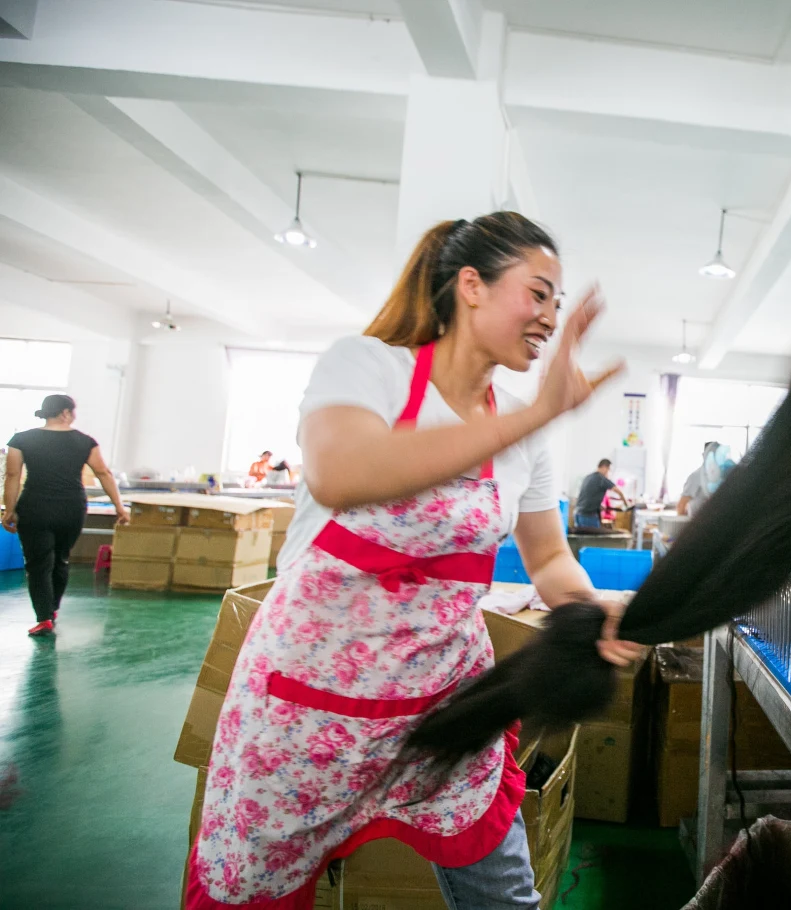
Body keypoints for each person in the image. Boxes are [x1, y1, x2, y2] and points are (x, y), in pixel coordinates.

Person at [185, 213, 640, 910]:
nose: (551, 316)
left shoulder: (525, 428)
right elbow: (341, 471)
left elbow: (547, 556)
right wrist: (535, 414)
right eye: (539, 292)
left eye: (558, 300)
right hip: (308, 716)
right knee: (257, 892)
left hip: (443, 709)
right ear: (472, 286)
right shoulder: (368, 367)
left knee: (504, 897)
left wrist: (587, 607)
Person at [3, 394, 129, 636]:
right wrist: (120, 508)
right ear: (65, 412)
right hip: (71, 508)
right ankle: (53, 609)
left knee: (38, 563)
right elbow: (104, 474)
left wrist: (9, 509)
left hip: (34, 508)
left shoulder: (21, 439)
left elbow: (12, 476)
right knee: (61, 558)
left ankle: (44, 618)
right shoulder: (85, 442)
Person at [573, 459, 627, 529]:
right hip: (588, 516)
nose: (608, 472)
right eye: (608, 469)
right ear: (604, 467)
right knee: (593, 539)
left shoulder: (588, 477)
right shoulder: (601, 478)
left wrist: (599, 506)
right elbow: (619, 492)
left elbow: (588, 495)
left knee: (582, 538)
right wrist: (626, 504)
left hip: (578, 514)